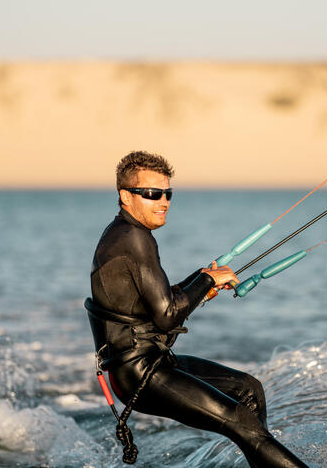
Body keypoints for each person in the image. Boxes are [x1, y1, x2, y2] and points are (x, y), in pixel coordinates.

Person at [87, 151, 308, 467]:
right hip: (141, 374)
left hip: (153, 362)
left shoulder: (125, 234)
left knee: (248, 390)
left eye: (167, 193)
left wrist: (202, 284)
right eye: (151, 193)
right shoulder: (134, 238)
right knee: (241, 424)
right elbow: (167, 316)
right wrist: (205, 280)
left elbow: (155, 301)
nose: (163, 201)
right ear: (126, 196)